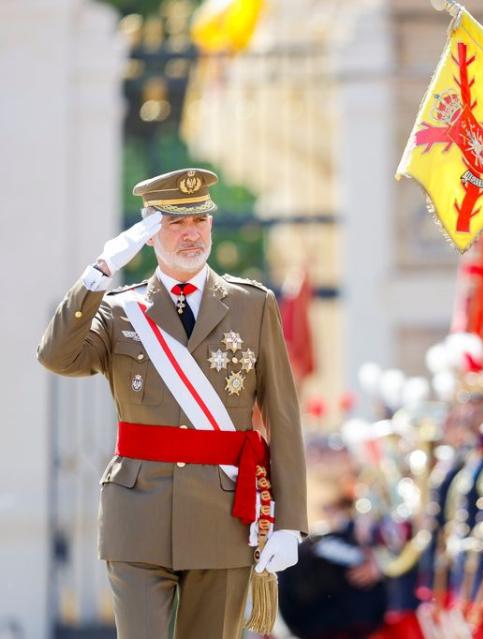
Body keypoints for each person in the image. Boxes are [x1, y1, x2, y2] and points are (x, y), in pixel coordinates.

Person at [37, 168, 308, 637]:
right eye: (174, 222)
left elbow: (282, 415)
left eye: (199, 220)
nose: (190, 234)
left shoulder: (252, 305)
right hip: (137, 513)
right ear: (147, 235)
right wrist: (98, 273)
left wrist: (290, 521)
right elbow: (57, 356)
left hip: (223, 516)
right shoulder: (120, 309)